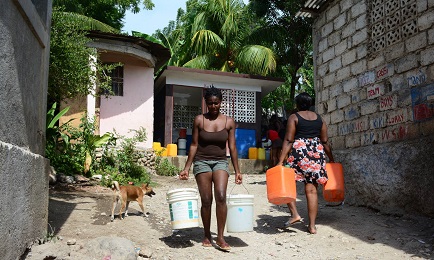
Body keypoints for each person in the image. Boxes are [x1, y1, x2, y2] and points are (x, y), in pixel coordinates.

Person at [179, 86, 242, 252]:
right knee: (206, 200)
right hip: (202, 162)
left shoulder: (229, 122)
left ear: (221, 102)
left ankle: (220, 237)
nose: (213, 107)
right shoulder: (199, 120)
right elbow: (193, 145)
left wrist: (237, 171)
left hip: (221, 161)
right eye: (210, 104)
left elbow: (233, 148)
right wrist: (186, 167)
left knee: (221, 196)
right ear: (206, 103)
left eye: (216, 103)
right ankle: (207, 233)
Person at [276, 92, 334, 234]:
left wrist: (280, 161)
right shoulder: (320, 120)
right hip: (316, 154)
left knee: (288, 184)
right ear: (310, 104)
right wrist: (331, 158)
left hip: (300, 153)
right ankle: (312, 226)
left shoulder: (294, 117)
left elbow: (289, 140)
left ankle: (295, 214)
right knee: (312, 190)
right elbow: (325, 141)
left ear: (297, 104)